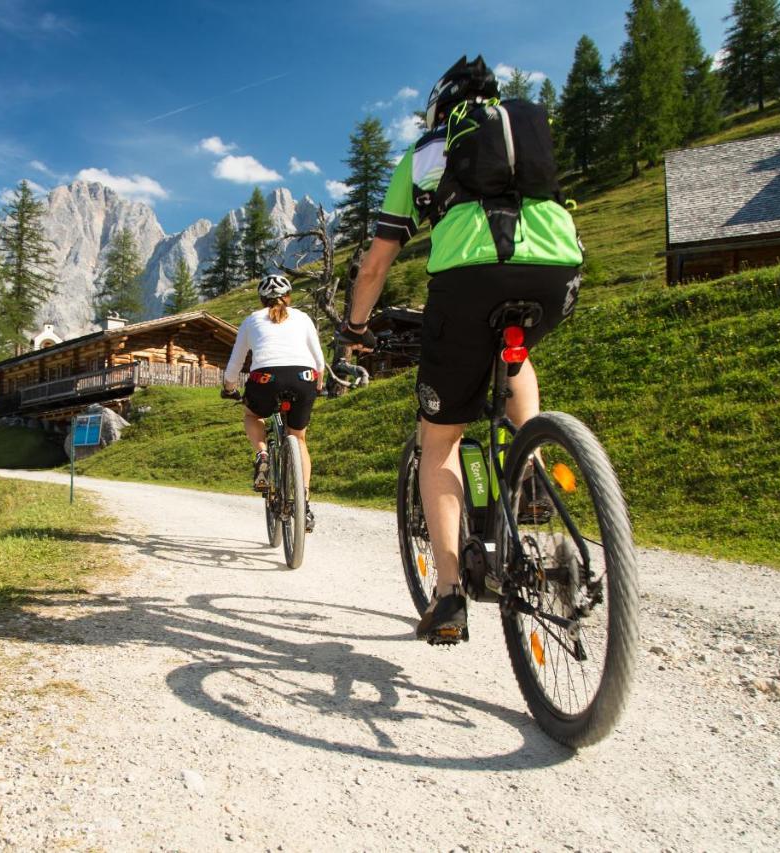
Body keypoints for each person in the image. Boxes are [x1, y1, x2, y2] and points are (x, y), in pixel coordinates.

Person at [338, 55, 583, 642]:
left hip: (470, 281)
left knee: (440, 438)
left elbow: (375, 266)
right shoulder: (525, 135)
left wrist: (353, 329)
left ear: (440, 108)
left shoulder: (426, 152)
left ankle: (448, 597)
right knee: (515, 351)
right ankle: (531, 471)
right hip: (558, 275)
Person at [222, 274, 325, 532]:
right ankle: (305, 505)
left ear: (261, 299)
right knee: (299, 439)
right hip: (304, 378)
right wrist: (319, 384)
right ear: (288, 297)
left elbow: (235, 363)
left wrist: (229, 388)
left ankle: (263, 454)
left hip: (265, 379)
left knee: (252, 416)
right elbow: (319, 360)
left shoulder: (251, 320)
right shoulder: (303, 318)